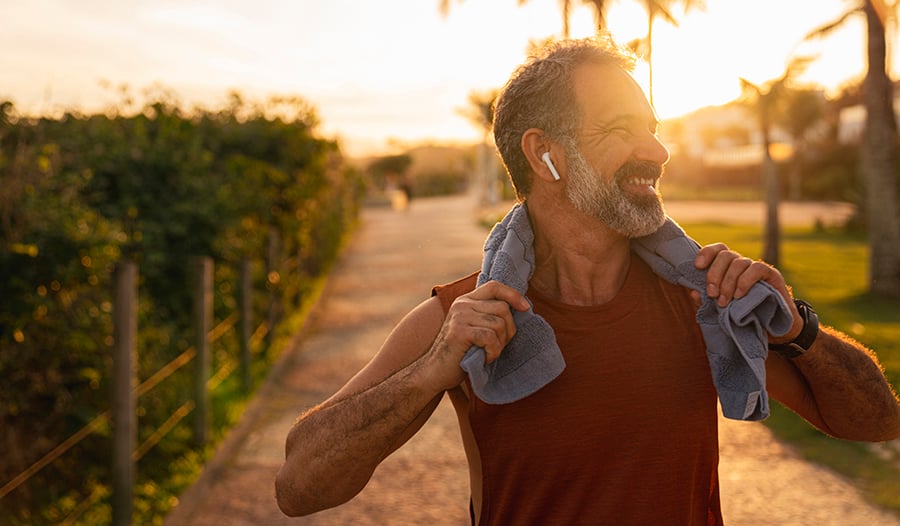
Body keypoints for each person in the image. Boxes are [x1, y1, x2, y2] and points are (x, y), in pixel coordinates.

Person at [275, 36, 900, 525]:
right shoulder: (460, 320)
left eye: (652, 128)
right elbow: (299, 486)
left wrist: (795, 328)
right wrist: (432, 370)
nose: (657, 151)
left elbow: (878, 422)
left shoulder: (704, 301)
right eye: (622, 129)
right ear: (545, 153)